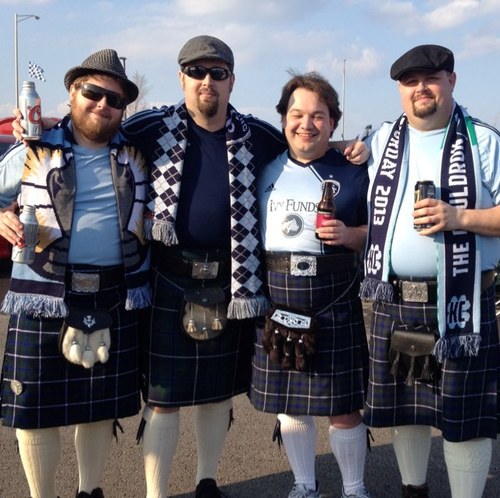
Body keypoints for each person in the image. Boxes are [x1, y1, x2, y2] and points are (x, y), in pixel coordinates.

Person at [0, 49, 151, 498]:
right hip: (45, 291)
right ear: (72, 93)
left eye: (115, 99)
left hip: (113, 292)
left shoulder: (136, 154)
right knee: (34, 408)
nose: (103, 105)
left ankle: (91, 491)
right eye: (93, 93)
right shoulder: (34, 148)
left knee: (99, 409)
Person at [360, 44, 500, 498]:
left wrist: (461, 218)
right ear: (400, 90)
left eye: (431, 78)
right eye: (410, 81)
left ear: (451, 81)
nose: (421, 88)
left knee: (465, 417)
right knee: (406, 410)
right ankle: (412, 490)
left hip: (461, 302)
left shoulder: (484, 141)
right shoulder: (380, 140)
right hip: (395, 300)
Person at [250, 72, 371, 498]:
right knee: (290, 406)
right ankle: (305, 486)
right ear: (283, 118)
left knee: (343, 408)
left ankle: (354, 489)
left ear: (333, 122)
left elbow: (384, 231)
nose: (307, 124)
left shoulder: (357, 170)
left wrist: (353, 236)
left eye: (318, 116)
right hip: (278, 294)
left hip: (333, 295)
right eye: (297, 114)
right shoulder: (261, 167)